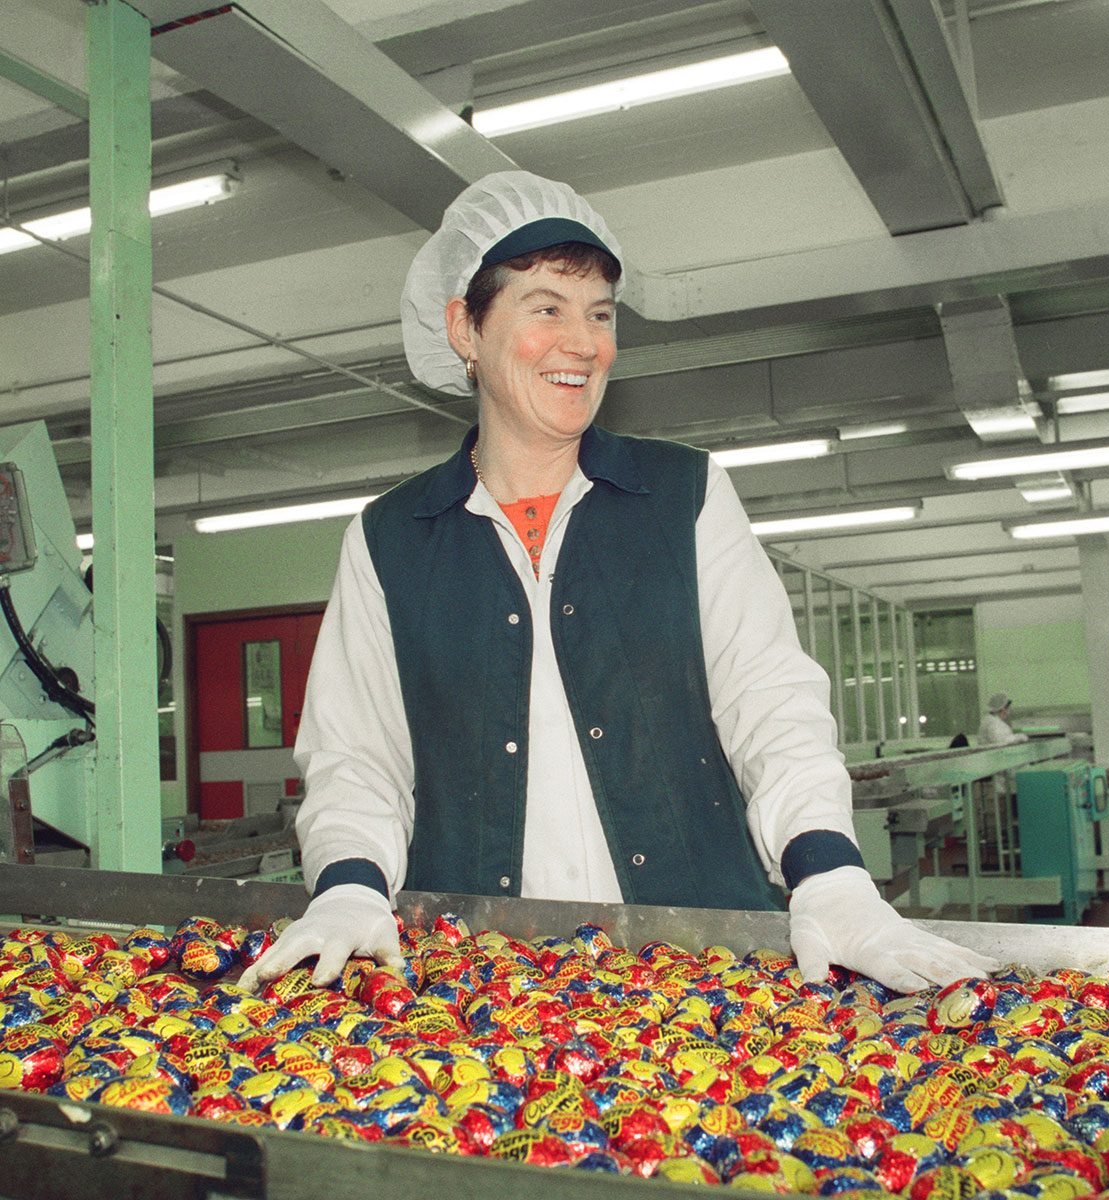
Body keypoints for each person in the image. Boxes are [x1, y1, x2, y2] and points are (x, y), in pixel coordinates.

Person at [240, 172, 997, 995]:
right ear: (465, 328)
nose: (584, 342)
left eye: (600, 314)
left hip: (700, 971)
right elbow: (357, 756)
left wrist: (830, 872)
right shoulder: (391, 538)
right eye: (547, 308)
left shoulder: (684, 498)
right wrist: (350, 886)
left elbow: (770, 702)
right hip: (483, 981)